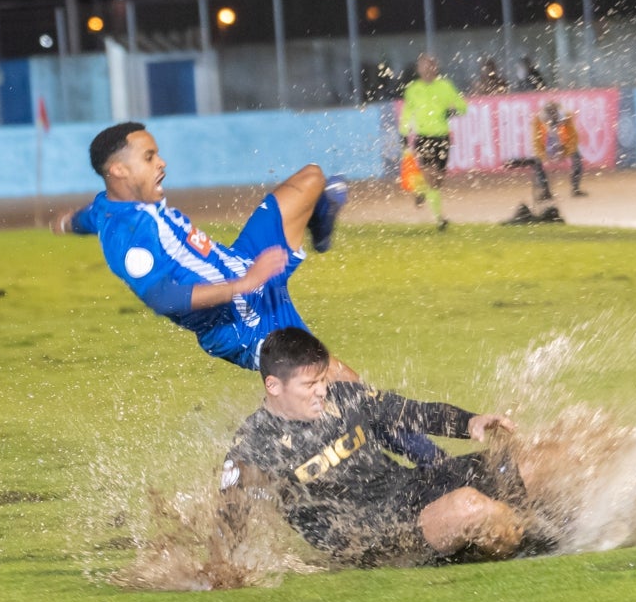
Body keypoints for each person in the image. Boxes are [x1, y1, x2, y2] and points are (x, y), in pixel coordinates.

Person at [51, 122, 357, 379]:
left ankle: (321, 228)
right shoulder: (126, 235)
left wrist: (66, 223)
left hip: (245, 261)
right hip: (240, 324)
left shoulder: (107, 205)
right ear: (119, 171)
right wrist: (244, 284)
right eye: (149, 157)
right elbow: (162, 297)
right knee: (354, 391)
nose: (161, 162)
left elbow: (88, 216)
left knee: (312, 178)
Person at [220, 327, 544, 567]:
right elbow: (229, 511)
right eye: (309, 385)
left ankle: (529, 530)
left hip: (408, 490)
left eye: (322, 380)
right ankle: (534, 549)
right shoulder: (254, 444)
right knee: (470, 507)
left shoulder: (345, 399)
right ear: (273, 386)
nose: (321, 391)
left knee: (517, 462)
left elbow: (413, 412)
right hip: (374, 536)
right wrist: (221, 570)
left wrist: (469, 422)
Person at [399, 53, 468, 231]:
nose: (428, 69)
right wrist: (404, 133)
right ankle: (439, 220)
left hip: (442, 138)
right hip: (423, 138)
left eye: (431, 66)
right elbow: (407, 112)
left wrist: (452, 111)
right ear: (418, 69)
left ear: (436, 68)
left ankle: (421, 190)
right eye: (424, 66)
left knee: (437, 181)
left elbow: (462, 106)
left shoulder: (445, 86)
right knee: (431, 176)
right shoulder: (413, 89)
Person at [516, 100, 586, 202]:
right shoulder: (538, 120)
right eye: (550, 115)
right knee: (537, 164)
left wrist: (567, 150)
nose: (553, 119)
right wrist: (543, 156)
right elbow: (536, 140)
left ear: (558, 113)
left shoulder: (567, 117)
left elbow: (573, 137)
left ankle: (575, 188)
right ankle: (546, 192)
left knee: (577, 160)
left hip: (564, 144)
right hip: (546, 145)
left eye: (555, 115)